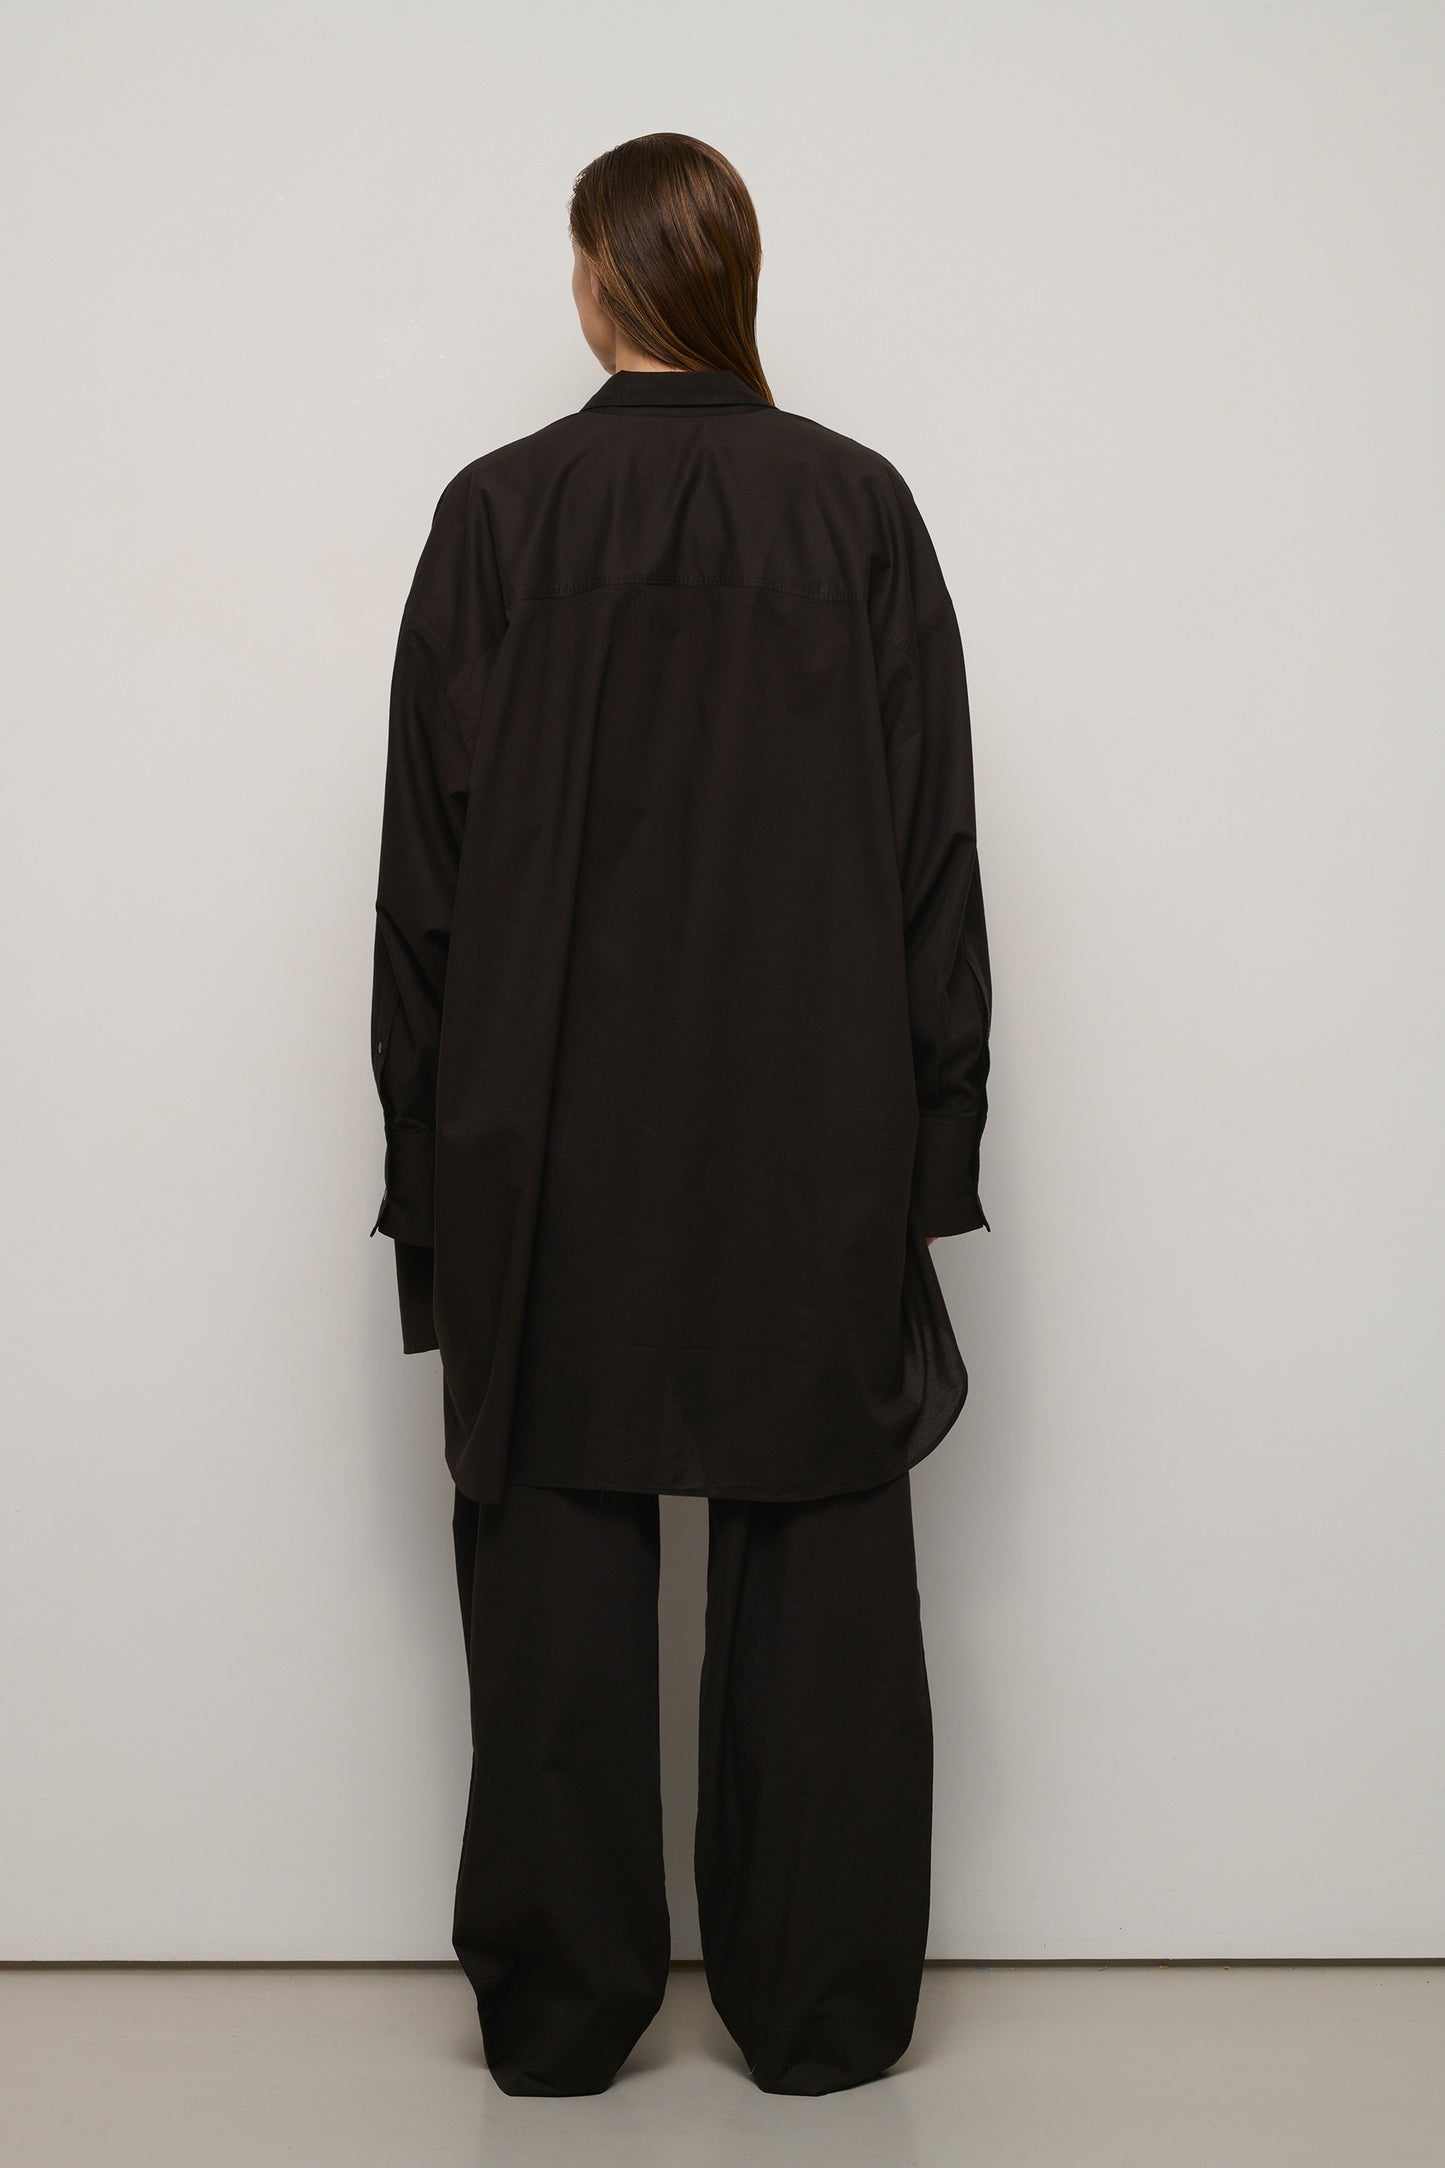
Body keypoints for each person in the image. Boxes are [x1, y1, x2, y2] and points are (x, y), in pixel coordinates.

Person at [367, 132, 993, 2097]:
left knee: (553, 1557)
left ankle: (560, 2021)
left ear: (595, 281)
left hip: (545, 1135)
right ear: (733, 280)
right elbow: (934, 855)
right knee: (821, 1557)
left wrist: (422, 1164)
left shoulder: (497, 515)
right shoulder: (857, 507)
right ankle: (819, 2016)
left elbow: (422, 884)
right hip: (815, 1128)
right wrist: (936, 1139)